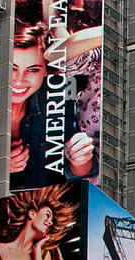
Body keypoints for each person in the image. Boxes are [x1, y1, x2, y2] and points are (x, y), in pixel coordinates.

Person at [9, 23, 96, 189]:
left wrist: (80, 158)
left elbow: (80, 172)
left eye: (32, 70)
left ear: (46, 71)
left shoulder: (57, 96)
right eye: (11, 69)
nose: (19, 80)